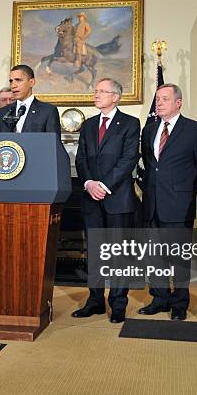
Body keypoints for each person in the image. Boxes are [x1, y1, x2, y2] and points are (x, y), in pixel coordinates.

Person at [139, 83, 197, 320]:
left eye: (165, 99)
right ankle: (160, 299)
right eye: (157, 99)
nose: (159, 103)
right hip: (151, 204)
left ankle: (179, 303)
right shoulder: (149, 130)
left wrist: (187, 192)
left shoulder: (195, 130)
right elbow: (150, 166)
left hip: (179, 205)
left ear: (178, 102)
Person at [72, 78, 140, 323]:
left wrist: (104, 185)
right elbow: (81, 159)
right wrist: (89, 183)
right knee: (95, 253)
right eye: (96, 90)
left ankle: (118, 303)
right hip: (91, 198)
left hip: (117, 199)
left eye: (102, 91)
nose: (97, 94)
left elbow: (128, 159)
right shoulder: (88, 125)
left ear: (115, 97)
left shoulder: (130, 123)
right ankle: (95, 301)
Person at [0, 64, 61, 136]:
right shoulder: (1, 113)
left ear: (31, 82)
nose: (13, 85)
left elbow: (54, 144)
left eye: (18, 80)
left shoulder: (48, 111)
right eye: (11, 81)